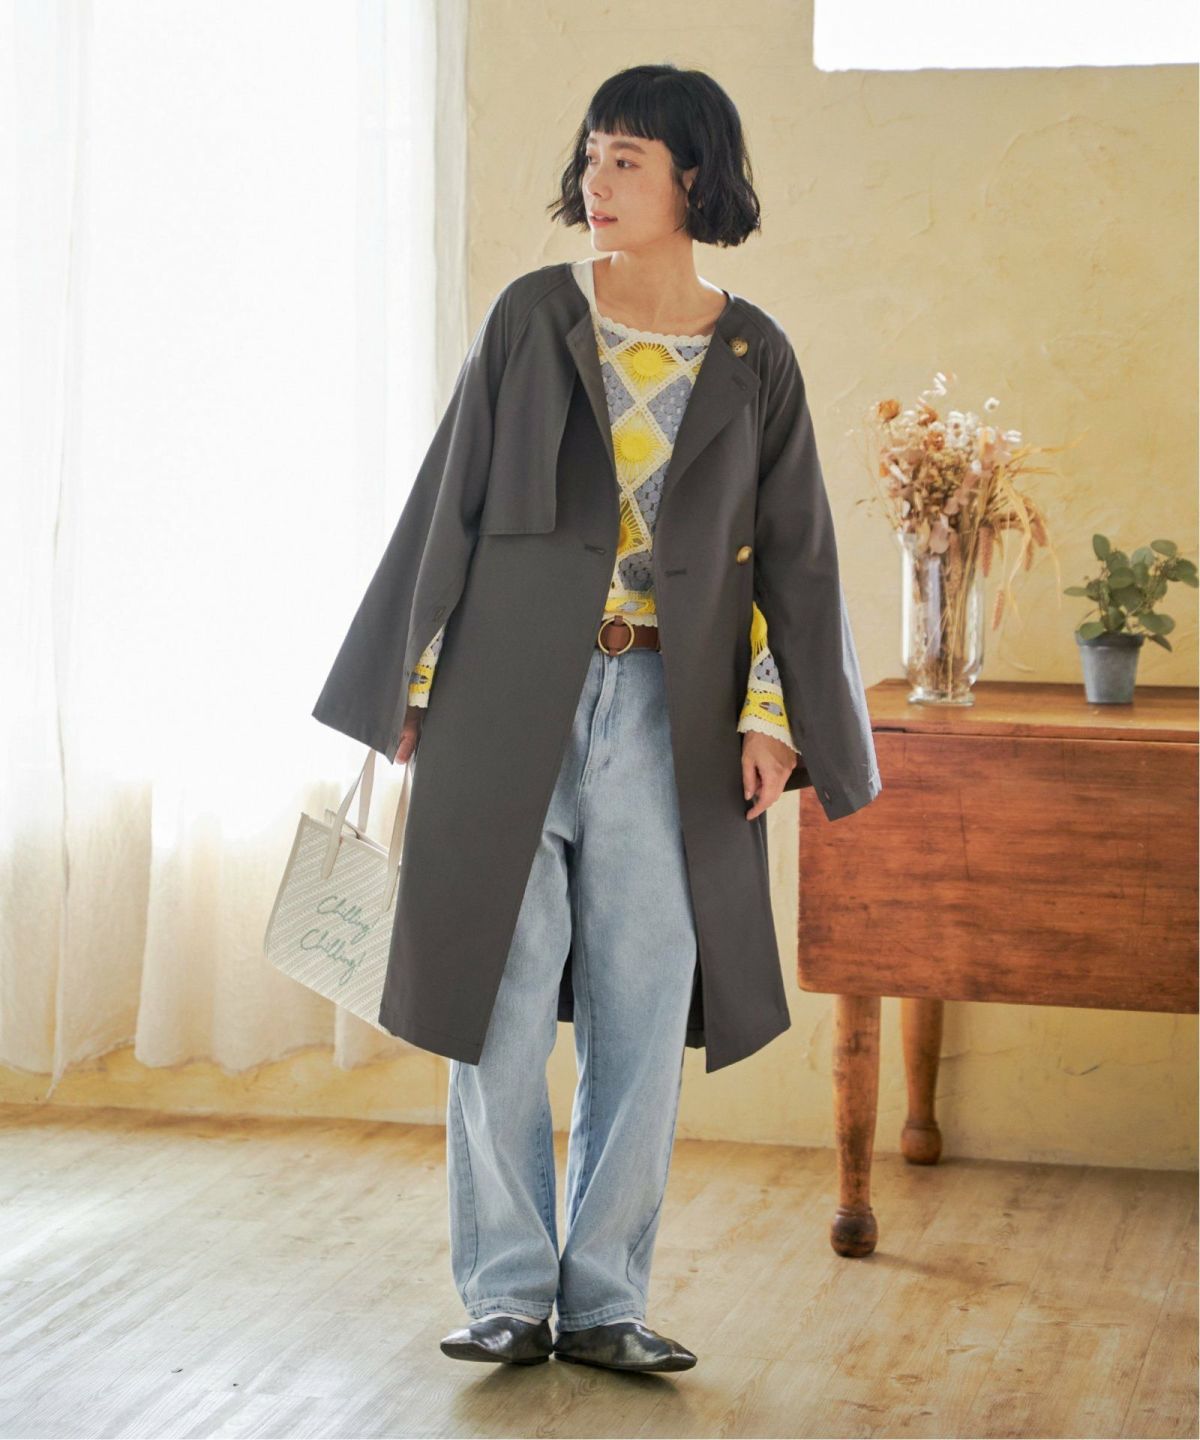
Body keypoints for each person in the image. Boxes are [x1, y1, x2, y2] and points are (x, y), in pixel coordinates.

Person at [412, 64, 809, 1374]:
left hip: (670, 717)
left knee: (644, 1011)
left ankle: (602, 1303)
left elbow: (793, 554)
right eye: (590, 156)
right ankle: (508, 1292)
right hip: (505, 700)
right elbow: (454, 499)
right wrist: (413, 686)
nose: (596, 181)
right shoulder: (534, 317)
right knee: (496, 1001)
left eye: (625, 158)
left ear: (694, 175)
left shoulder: (754, 355)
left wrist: (772, 714)